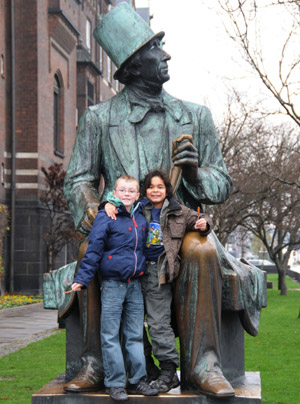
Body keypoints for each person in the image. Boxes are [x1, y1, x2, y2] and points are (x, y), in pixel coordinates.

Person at [62, 2, 265, 398]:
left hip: (177, 227)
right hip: (122, 228)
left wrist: (193, 174)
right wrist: (92, 209)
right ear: (134, 64)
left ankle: (202, 365)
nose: (166, 54)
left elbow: (221, 185)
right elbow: (78, 180)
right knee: (92, 247)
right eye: (156, 47)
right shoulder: (99, 119)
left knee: (202, 251)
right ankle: (97, 363)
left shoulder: (196, 116)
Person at [104, 169, 214, 394]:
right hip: (135, 271)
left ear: (167, 190)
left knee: (157, 323)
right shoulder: (137, 208)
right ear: (145, 190)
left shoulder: (178, 212)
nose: (155, 190)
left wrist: (205, 223)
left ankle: (168, 371)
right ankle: (148, 369)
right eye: (151, 187)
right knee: (132, 325)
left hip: (159, 273)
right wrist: (106, 205)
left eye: (160, 187)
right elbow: (115, 206)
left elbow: (203, 218)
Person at [70, 175, 158, 402]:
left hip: (135, 285)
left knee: (135, 336)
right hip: (112, 285)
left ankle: (138, 381)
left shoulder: (141, 215)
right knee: (110, 336)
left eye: (131, 191)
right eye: (122, 190)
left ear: (138, 195)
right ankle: (116, 383)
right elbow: (94, 249)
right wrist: (82, 278)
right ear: (114, 193)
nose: (127, 194)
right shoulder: (106, 215)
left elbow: (159, 201)